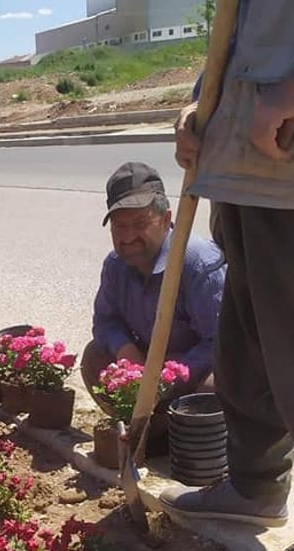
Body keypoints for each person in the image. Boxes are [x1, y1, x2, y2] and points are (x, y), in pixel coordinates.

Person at [161, 2, 294, 551]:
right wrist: (201, 107)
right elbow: (243, 41)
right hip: (244, 174)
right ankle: (256, 489)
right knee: (247, 348)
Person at [81, 161, 227, 439]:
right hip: (147, 362)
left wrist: (170, 375)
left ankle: (192, 441)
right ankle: (147, 430)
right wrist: (126, 351)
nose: (128, 237)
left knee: (213, 388)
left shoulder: (198, 263)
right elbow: (105, 322)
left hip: (193, 368)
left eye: (139, 223)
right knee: (94, 358)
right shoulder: (115, 265)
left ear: (165, 218)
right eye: (119, 226)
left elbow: (221, 342)